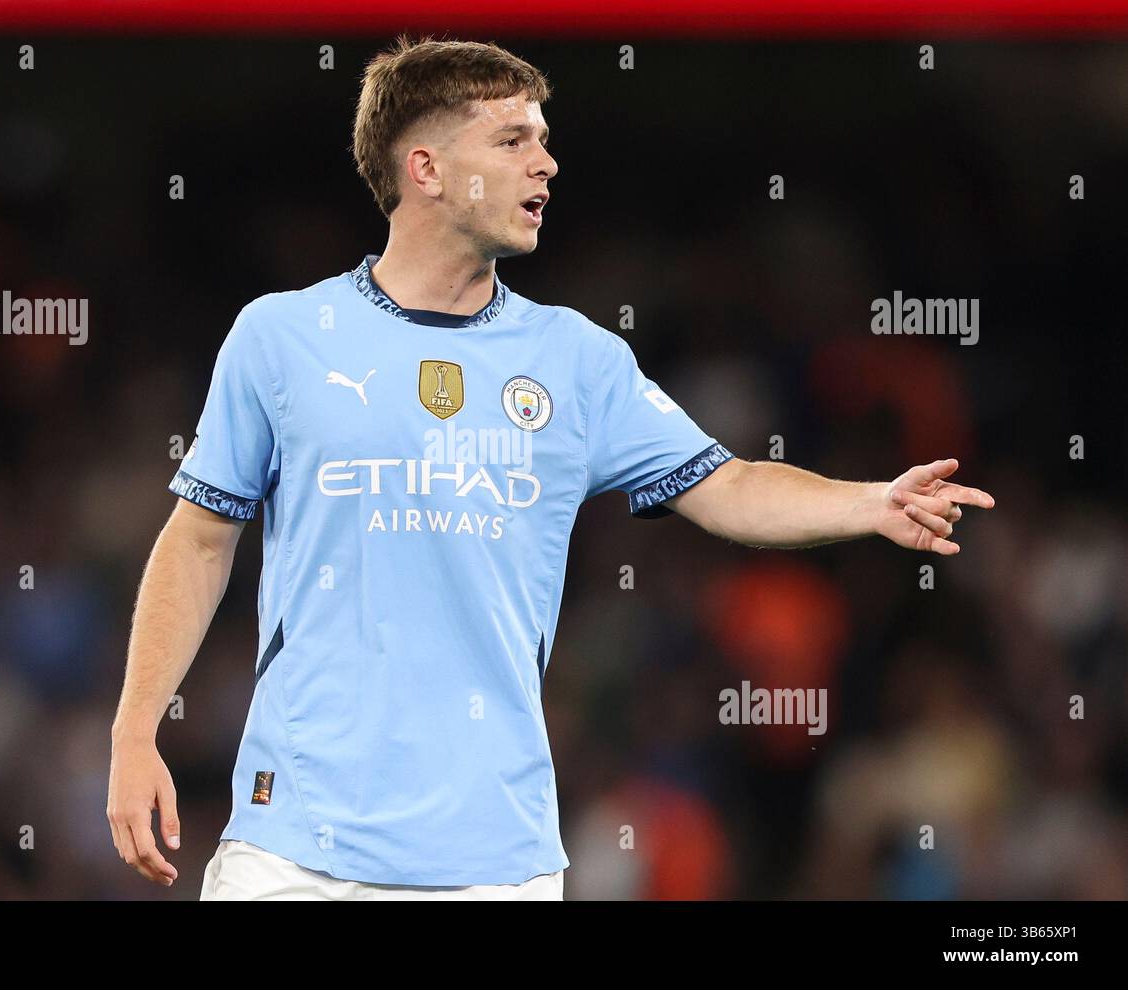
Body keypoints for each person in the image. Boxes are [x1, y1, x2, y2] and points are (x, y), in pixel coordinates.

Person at [106, 36, 995, 901]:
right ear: (426, 168)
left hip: (497, 857)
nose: (548, 163)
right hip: (294, 848)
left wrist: (871, 502)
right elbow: (198, 540)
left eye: (542, 137)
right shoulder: (280, 337)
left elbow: (727, 485)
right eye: (513, 139)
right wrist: (135, 733)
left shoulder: (577, 359)